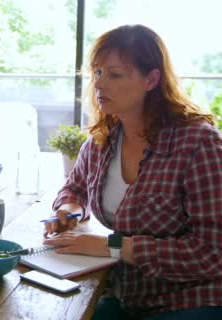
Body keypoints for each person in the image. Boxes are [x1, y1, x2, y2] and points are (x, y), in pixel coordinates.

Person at [43, 25, 222, 319]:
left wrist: (114, 247)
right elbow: (75, 187)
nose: (99, 84)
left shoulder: (198, 143)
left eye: (114, 74)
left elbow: (213, 252)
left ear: (151, 79)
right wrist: (69, 209)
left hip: (192, 299)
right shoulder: (104, 138)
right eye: (97, 73)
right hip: (129, 294)